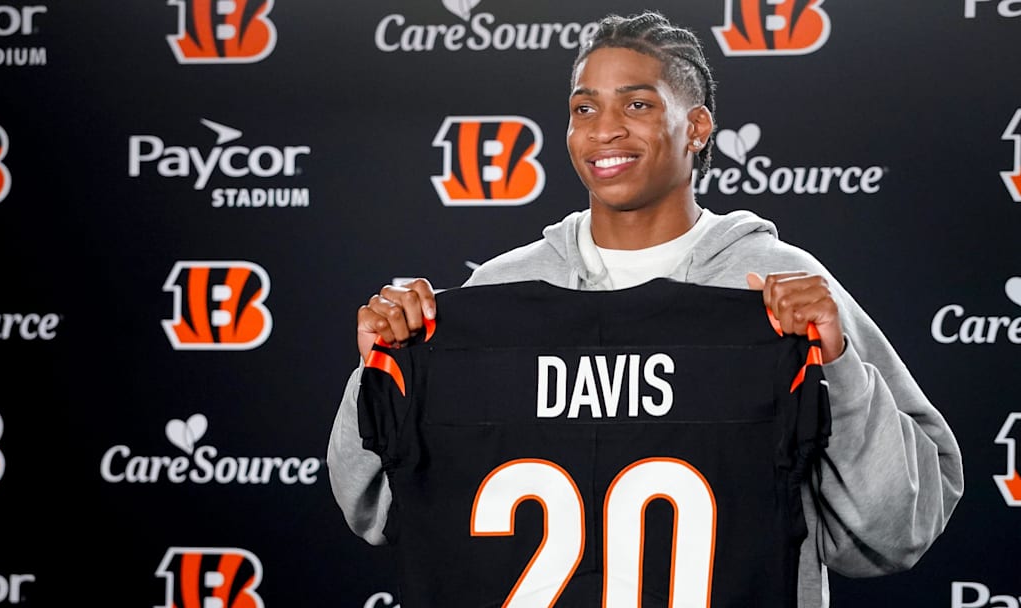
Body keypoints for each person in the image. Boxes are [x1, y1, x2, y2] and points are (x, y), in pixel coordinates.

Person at [328, 9, 963, 607]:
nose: (604, 129)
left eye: (636, 103)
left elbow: (899, 530)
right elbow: (376, 510)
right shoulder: (497, 294)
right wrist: (381, 372)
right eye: (584, 108)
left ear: (696, 127)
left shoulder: (781, 288)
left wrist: (841, 364)